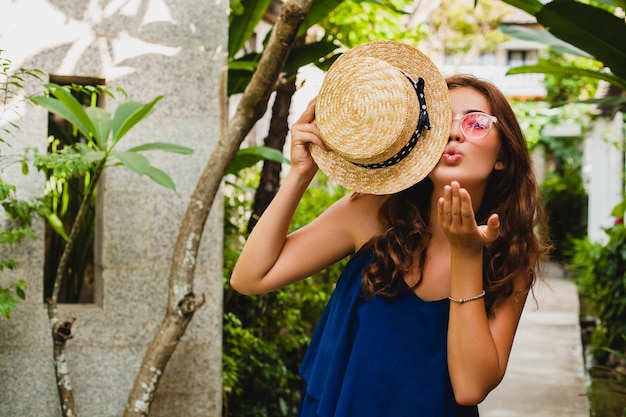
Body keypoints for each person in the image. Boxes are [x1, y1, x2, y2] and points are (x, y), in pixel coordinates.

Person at [230, 41, 549, 417]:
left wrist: (467, 255)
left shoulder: (511, 251)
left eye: (475, 122)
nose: (454, 133)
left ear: (503, 158)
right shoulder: (373, 213)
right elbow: (250, 279)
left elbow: (470, 388)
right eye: (441, 120)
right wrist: (300, 174)